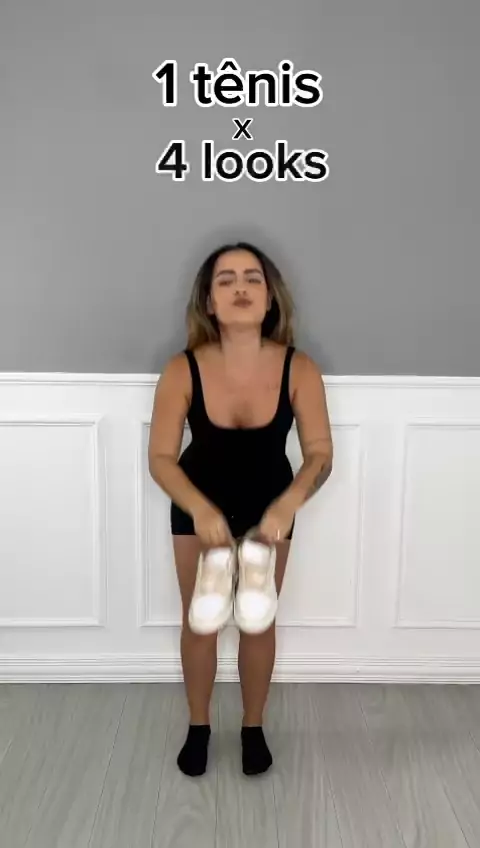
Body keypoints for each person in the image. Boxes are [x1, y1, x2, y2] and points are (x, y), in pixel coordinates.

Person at [148, 241, 333, 777]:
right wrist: (200, 512)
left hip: (269, 505)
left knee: (257, 619)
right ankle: (199, 727)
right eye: (225, 280)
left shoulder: (300, 368)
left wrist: (287, 506)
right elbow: (160, 458)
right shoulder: (182, 369)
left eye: (252, 278)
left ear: (270, 297)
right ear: (209, 301)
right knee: (200, 621)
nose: (240, 288)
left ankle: (253, 727)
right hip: (197, 502)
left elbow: (321, 454)